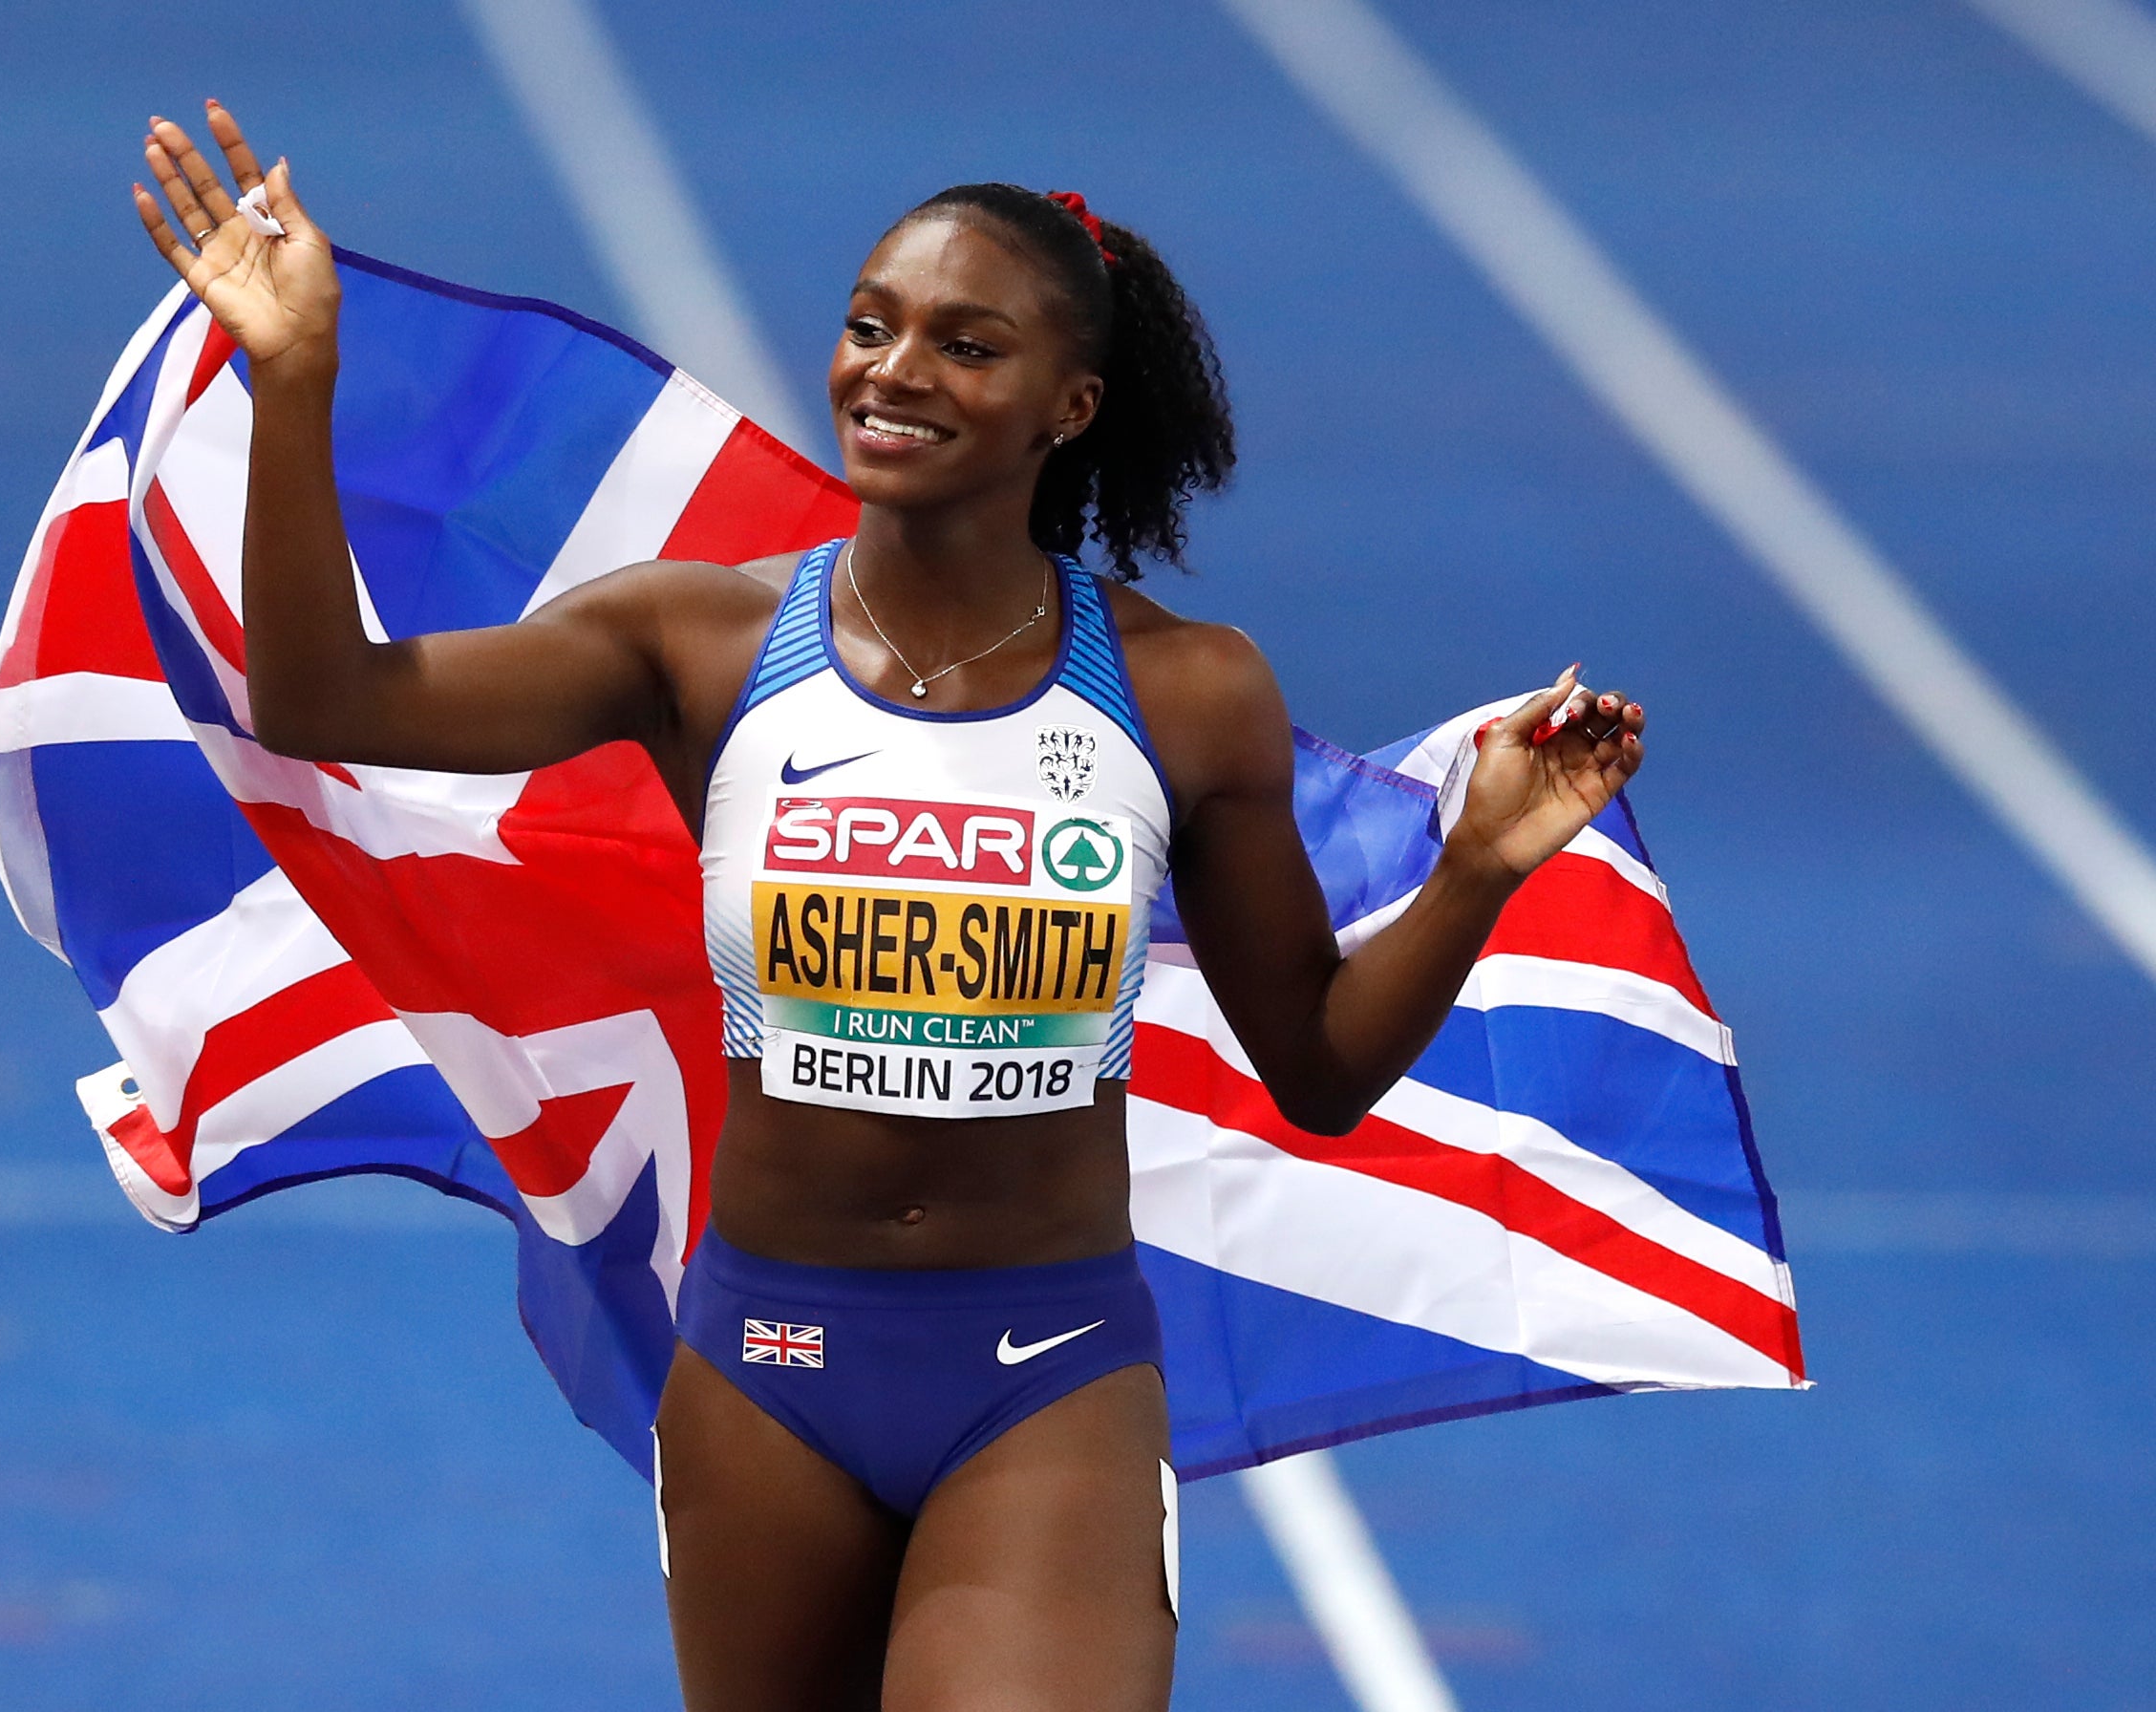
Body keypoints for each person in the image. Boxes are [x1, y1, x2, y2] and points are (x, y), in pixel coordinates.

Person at [133, 100, 1644, 1712]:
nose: (895, 371)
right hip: (764, 1371)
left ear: (1072, 405)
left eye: (964, 345)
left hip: (1049, 1371)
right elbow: (316, 700)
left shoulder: (1187, 694)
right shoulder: (696, 647)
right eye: (872, 327)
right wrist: (293, 381)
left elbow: (1322, 1070)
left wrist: (1477, 867)